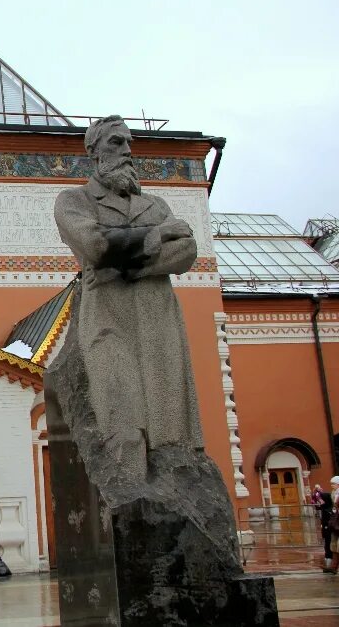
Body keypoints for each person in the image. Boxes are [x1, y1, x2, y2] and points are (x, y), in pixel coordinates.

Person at [53, 115, 201, 484]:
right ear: (93, 151)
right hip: (108, 321)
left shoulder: (155, 205)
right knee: (123, 425)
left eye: (129, 143)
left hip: (158, 324)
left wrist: (121, 267)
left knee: (170, 432)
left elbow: (185, 252)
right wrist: (156, 237)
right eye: (116, 143)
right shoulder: (74, 201)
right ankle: (128, 503)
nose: (128, 151)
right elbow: (95, 244)